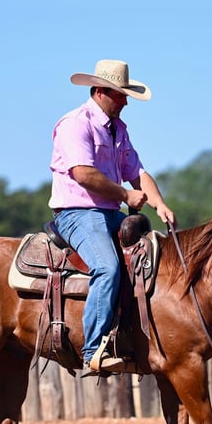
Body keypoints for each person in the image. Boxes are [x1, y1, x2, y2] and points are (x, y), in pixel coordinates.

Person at [49, 59, 176, 376]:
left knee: (155, 259)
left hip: (108, 214)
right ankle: (93, 350)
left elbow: (138, 172)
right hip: (77, 213)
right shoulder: (74, 124)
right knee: (106, 267)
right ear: (100, 91)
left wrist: (159, 204)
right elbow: (83, 174)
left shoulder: (118, 129)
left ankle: (137, 337)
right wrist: (125, 196)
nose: (125, 101)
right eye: (120, 95)